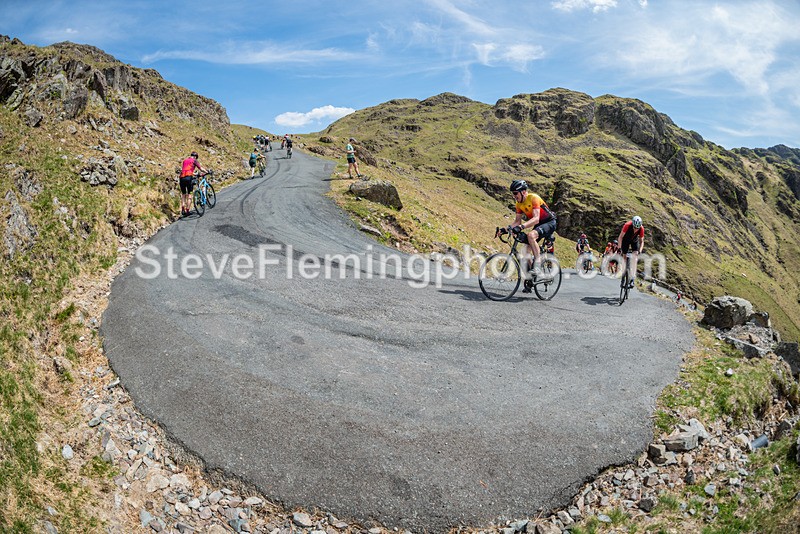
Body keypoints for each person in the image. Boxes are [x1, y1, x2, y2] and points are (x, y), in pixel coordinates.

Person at [508, 179, 557, 292]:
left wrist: (521, 227)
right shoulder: (519, 204)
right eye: (513, 194)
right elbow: (517, 222)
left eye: (515, 193)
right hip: (539, 225)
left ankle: (538, 265)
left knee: (531, 235)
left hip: (549, 222)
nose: (514, 196)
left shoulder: (533, 198)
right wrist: (506, 229)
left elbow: (536, 219)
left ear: (523, 192)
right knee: (525, 251)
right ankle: (531, 280)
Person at [616, 215, 645, 288]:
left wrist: (640, 251)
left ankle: (632, 278)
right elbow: (620, 237)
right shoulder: (627, 225)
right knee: (624, 257)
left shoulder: (641, 228)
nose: (635, 229)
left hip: (634, 241)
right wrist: (619, 248)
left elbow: (642, 241)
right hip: (625, 240)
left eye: (637, 228)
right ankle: (623, 275)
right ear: (632, 225)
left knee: (635, 258)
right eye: (634, 227)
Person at [179, 151, 206, 216]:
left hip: (181, 177)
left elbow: (186, 169)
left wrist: (194, 174)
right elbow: (201, 168)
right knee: (190, 194)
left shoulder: (185, 161)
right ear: (195, 157)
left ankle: (183, 209)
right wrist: (206, 171)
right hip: (188, 178)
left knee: (183, 194)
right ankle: (187, 210)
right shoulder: (194, 160)